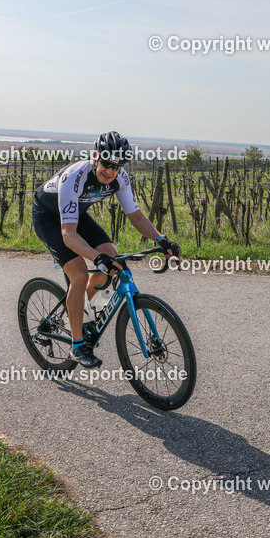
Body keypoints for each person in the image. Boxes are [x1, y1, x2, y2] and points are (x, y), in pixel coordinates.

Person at [32, 131, 180, 367]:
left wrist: (161, 240)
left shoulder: (120, 178)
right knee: (79, 274)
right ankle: (78, 345)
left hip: (77, 215)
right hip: (49, 218)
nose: (110, 171)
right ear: (95, 157)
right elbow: (68, 234)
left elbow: (136, 216)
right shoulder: (75, 177)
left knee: (112, 259)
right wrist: (95, 256)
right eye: (107, 163)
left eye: (117, 166)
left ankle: (84, 314)